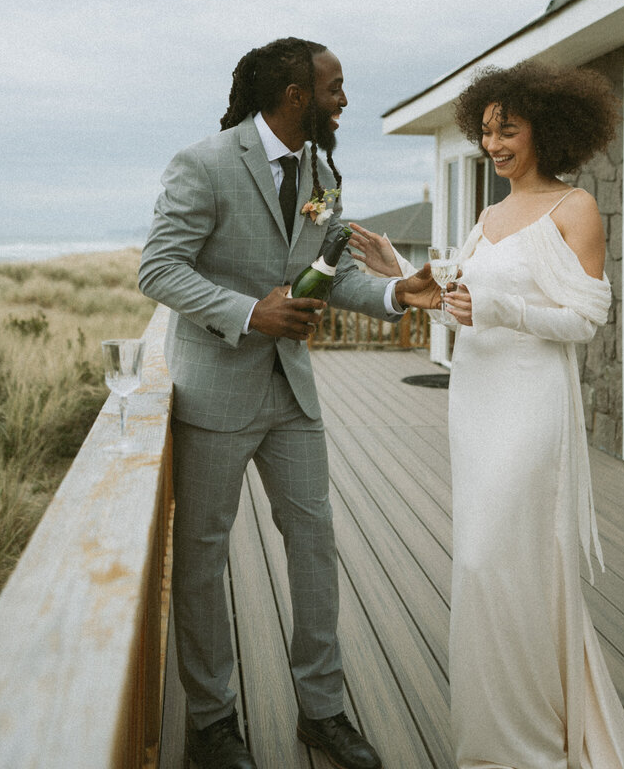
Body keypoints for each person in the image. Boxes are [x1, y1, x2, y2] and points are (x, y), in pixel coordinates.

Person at [350, 60, 624, 769]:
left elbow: (588, 320)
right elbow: (459, 298)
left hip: (531, 405)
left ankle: (529, 743)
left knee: (500, 562)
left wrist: (503, 309)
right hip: (477, 400)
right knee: (482, 567)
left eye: (509, 129)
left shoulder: (575, 208)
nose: (494, 143)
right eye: (486, 131)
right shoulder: (489, 216)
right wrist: (392, 271)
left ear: (547, 129)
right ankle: (495, 740)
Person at [139, 37, 438, 769]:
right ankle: (213, 722)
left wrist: (398, 293)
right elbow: (159, 268)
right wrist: (250, 313)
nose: (344, 99)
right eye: (335, 87)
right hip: (214, 393)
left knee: (313, 546)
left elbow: (325, 276)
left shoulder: (321, 173)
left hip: (293, 398)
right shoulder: (204, 163)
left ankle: (322, 711)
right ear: (296, 92)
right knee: (204, 560)